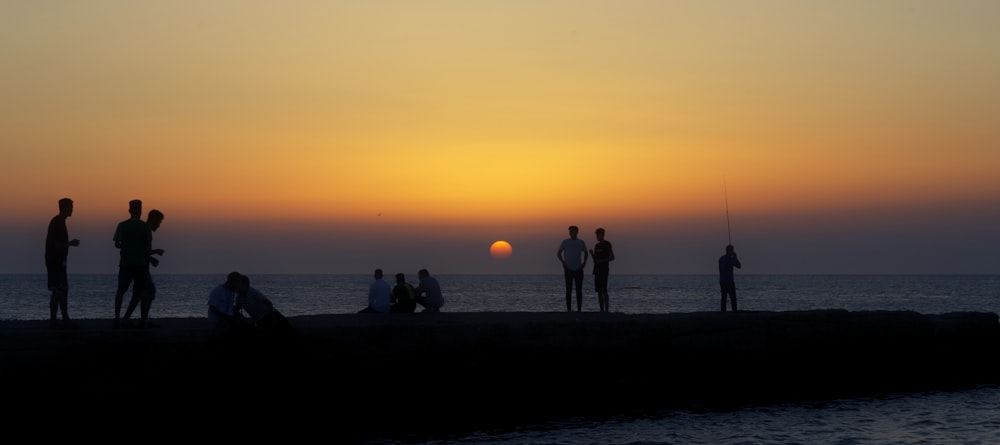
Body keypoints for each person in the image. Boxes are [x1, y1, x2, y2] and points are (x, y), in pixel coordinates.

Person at [113, 199, 152, 329]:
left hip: (126, 262)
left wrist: (126, 245)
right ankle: (143, 319)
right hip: (140, 262)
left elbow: (117, 243)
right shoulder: (146, 227)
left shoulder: (122, 225)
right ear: (140, 211)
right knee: (144, 291)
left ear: (129, 210)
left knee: (121, 290)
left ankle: (117, 318)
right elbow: (147, 246)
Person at [122, 209, 164, 328]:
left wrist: (151, 258)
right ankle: (141, 320)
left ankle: (133, 319)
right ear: (153, 219)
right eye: (159, 222)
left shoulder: (145, 230)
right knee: (148, 292)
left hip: (140, 266)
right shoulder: (146, 231)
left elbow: (141, 250)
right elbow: (141, 250)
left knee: (139, 294)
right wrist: (154, 254)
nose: (159, 225)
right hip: (140, 267)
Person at [45, 197, 81, 330]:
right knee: (57, 290)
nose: (72, 209)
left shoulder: (60, 222)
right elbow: (57, 245)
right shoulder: (57, 222)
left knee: (63, 289)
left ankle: (65, 319)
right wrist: (70, 243)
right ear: (65, 208)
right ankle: (54, 321)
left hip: (59, 261)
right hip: (55, 261)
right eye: (71, 207)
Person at [234, 274, 297, 342]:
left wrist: (273, 319)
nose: (236, 286)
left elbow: (268, 303)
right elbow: (237, 310)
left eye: (238, 284)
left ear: (244, 285)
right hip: (261, 320)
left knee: (289, 333)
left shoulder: (253, 292)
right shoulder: (239, 297)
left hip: (271, 315)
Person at [556, 225, 588, 312]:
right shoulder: (565, 242)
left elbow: (586, 252)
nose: (571, 233)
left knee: (579, 290)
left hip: (578, 268)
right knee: (568, 289)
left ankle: (579, 309)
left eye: (573, 231)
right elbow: (559, 253)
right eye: (570, 231)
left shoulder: (581, 242)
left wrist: (584, 263)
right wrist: (563, 262)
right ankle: (569, 309)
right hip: (568, 269)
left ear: (577, 232)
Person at [589, 227, 615, 313]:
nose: (597, 236)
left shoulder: (607, 244)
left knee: (604, 290)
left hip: (604, 270)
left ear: (602, 235)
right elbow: (595, 260)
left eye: (598, 235)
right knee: (599, 291)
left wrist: (602, 261)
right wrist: (592, 254)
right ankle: (601, 309)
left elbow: (612, 257)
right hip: (597, 270)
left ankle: (607, 310)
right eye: (596, 235)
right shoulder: (597, 245)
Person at [719, 244, 742, 312]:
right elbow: (739, 266)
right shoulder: (731, 259)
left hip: (722, 280)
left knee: (723, 297)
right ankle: (734, 312)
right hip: (729, 281)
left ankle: (723, 312)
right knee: (733, 298)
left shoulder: (721, 259)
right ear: (731, 251)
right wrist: (735, 257)